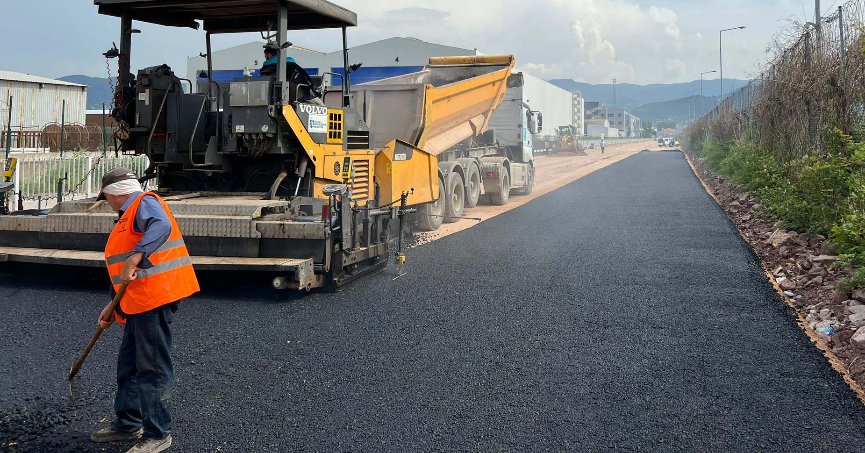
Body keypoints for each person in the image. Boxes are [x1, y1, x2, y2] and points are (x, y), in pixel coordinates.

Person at [90, 168, 199, 453]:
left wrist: (138, 255)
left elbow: (160, 226)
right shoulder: (127, 215)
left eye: (106, 198)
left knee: (151, 368)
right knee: (129, 365)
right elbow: (121, 269)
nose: (108, 202)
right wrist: (112, 306)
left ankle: (158, 433)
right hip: (134, 302)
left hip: (154, 300)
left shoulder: (144, 203)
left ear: (111, 194)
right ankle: (128, 423)